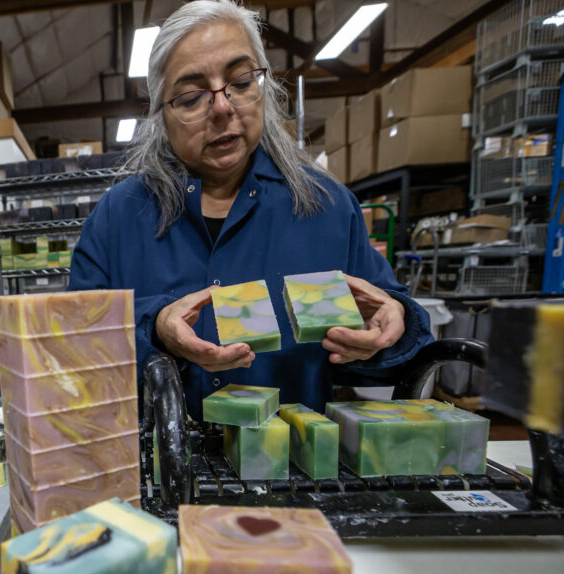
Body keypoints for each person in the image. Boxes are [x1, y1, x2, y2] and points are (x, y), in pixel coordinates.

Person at [68, 0, 433, 420]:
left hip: (293, 474)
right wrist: (154, 329)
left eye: (241, 82)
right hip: (156, 471)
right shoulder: (118, 218)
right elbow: (75, 347)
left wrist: (392, 326)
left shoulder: (327, 208)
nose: (222, 108)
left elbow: (392, 344)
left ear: (265, 88)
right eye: (191, 97)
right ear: (160, 116)